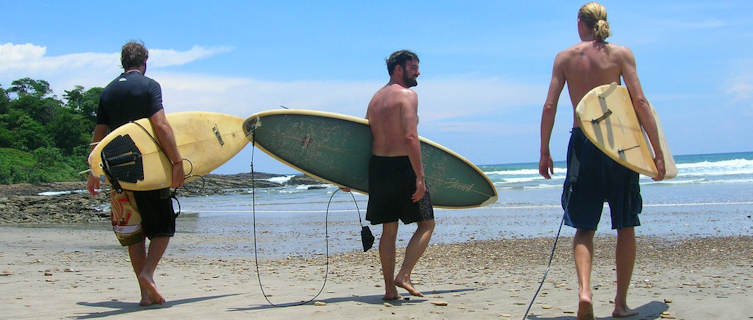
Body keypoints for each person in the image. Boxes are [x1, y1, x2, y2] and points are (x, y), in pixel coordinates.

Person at [538, 3, 666, 319]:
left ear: (580, 23)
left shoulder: (565, 58)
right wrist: (656, 150)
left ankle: (584, 291)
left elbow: (549, 105)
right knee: (625, 224)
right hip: (620, 145)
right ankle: (620, 304)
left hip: (583, 144)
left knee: (583, 227)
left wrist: (545, 150)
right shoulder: (621, 55)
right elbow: (639, 101)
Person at [87, 41, 185, 306]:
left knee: (134, 231)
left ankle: (144, 294)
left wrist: (93, 171)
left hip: (117, 172)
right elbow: (161, 125)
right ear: (145, 61)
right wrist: (177, 162)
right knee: (163, 227)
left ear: (122, 62)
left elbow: (99, 136)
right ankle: (148, 274)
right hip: (147, 169)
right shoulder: (149, 86)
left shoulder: (107, 92)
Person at [364, 50, 435, 300]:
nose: (417, 72)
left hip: (379, 167)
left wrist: (348, 177)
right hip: (403, 167)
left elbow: (362, 137)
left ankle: (389, 290)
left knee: (389, 230)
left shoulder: (375, 99)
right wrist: (419, 176)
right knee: (426, 223)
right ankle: (404, 275)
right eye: (413, 67)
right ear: (398, 69)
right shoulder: (408, 96)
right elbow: (410, 137)